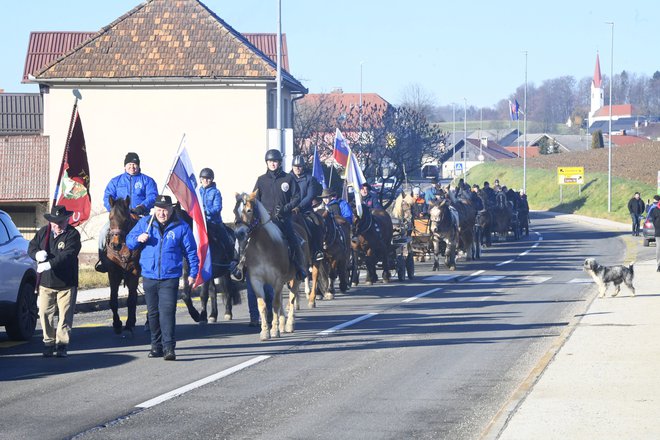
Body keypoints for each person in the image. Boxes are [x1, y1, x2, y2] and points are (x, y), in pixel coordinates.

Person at [127, 195, 199, 361]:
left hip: (169, 276)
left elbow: (191, 252)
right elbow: (130, 241)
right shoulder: (145, 224)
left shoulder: (181, 227)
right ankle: (156, 346)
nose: (162, 213)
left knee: (167, 312)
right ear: (154, 210)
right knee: (153, 314)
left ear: (171, 209)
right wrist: (138, 239)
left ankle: (168, 347)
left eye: (165, 210)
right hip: (149, 275)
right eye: (159, 210)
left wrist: (193, 273)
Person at [28, 205, 82, 358]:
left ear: (67, 220)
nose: (58, 225)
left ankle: (62, 344)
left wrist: (49, 264)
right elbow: (31, 247)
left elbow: (68, 255)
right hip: (46, 282)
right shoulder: (43, 233)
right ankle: (49, 342)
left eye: (61, 221)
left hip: (66, 283)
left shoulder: (72, 234)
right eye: (55, 222)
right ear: (51, 221)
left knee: (65, 316)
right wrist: (36, 254)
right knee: (44, 313)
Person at [96, 152, 158, 272]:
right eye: (129, 164)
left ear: (139, 166)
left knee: (151, 236)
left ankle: (151, 263)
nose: (132, 167)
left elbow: (152, 196)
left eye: (135, 164)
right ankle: (103, 261)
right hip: (119, 219)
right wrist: (115, 211)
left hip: (140, 216)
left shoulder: (147, 180)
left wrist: (142, 206)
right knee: (103, 232)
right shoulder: (115, 181)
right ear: (125, 166)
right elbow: (107, 197)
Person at [253, 149, 307, 281]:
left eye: (275, 161)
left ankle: (300, 267)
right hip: (265, 222)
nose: (272, 164)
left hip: (283, 219)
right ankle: (242, 266)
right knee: (248, 239)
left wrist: (285, 208)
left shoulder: (288, 178)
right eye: (270, 161)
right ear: (266, 163)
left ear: (279, 163)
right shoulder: (261, 180)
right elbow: (255, 199)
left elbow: (297, 196)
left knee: (294, 240)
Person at [199, 167, 237, 264]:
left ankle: (230, 259)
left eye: (208, 178)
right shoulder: (198, 192)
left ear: (212, 179)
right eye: (203, 178)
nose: (206, 181)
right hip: (200, 222)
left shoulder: (216, 192)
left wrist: (205, 211)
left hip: (214, 222)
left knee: (225, 238)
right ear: (200, 179)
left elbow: (217, 208)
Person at [290, 155, 324, 261]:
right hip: (290, 209)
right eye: (295, 166)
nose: (297, 168)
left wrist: (299, 207)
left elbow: (310, 196)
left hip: (305, 211)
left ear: (303, 167)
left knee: (316, 223)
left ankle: (317, 250)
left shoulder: (310, 179)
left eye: (299, 166)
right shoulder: (287, 178)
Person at [648, 199, 660, 272]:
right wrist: (657, 226)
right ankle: (659, 265)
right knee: (659, 249)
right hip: (658, 232)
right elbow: (653, 220)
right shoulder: (655, 210)